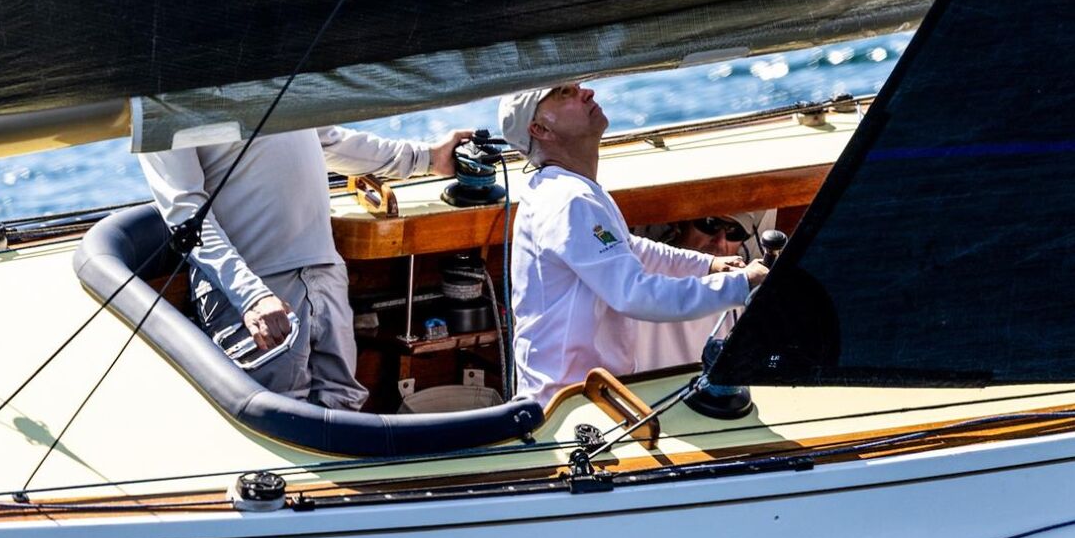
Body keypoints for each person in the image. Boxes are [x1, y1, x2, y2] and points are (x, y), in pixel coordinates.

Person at [141, 126, 470, 410]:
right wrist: (251, 296)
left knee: (344, 403)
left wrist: (428, 158)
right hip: (256, 290)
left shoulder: (276, 75)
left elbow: (327, 140)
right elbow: (185, 213)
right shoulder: (162, 95)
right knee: (281, 418)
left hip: (324, 272)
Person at [499, 83, 767, 404]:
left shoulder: (567, 189)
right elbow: (634, 294)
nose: (587, 93)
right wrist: (740, 285)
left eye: (578, 87)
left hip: (591, 395)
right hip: (568, 404)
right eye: (564, 93)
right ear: (540, 129)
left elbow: (630, 248)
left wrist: (709, 264)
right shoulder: (570, 201)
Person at [628, 211, 772, 372]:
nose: (720, 240)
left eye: (734, 231)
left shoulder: (750, 292)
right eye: (710, 223)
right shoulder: (641, 272)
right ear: (680, 224)